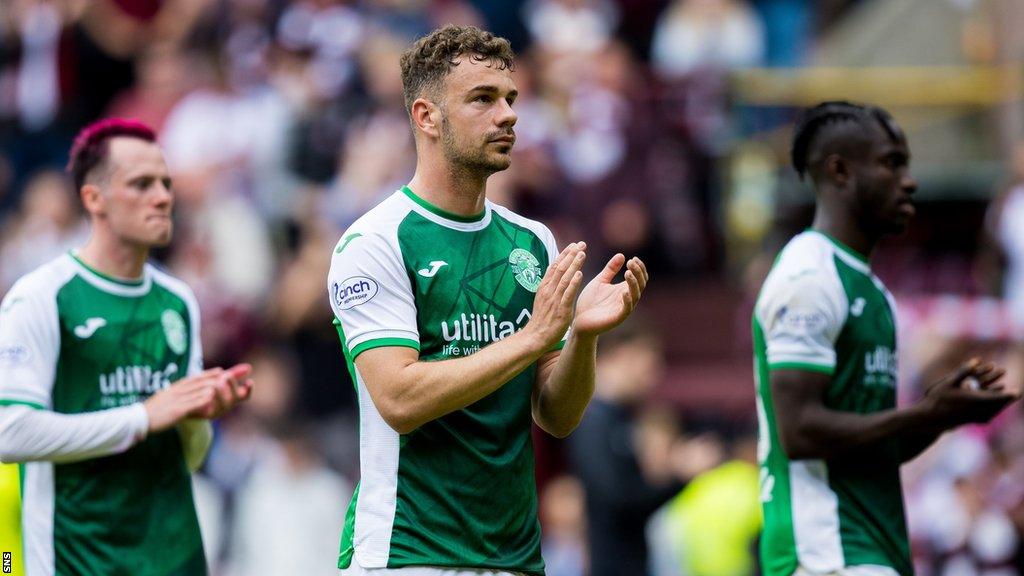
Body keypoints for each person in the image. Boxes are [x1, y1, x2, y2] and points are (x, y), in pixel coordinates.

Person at [327, 25, 649, 576]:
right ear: (426, 117)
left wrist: (584, 339)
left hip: (516, 557)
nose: (508, 115)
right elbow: (399, 400)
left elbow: (557, 416)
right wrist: (533, 339)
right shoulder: (377, 241)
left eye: (510, 99)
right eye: (482, 99)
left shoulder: (531, 242)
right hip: (409, 553)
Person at [753, 101, 1021, 576]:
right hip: (824, 550)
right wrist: (923, 414)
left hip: (870, 547)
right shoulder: (809, 276)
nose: (909, 181)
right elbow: (798, 431)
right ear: (840, 172)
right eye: (891, 164)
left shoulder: (875, 294)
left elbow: (873, 447)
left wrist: (941, 414)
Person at [0, 118, 253, 576]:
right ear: (93, 199)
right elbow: (9, 432)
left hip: (175, 556)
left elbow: (188, 458)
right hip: (78, 560)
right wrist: (143, 416)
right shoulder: (41, 297)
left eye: (165, 183)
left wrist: (197, 416)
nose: (163, 197)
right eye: (141, 184)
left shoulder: (177, 302)